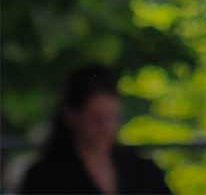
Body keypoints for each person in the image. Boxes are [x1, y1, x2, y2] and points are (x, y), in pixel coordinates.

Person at [18, 65, 172, 195]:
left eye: (112, 117)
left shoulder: (142, 169)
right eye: (96, 119)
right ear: (72, 116)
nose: (106, 128)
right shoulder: (46, 177)